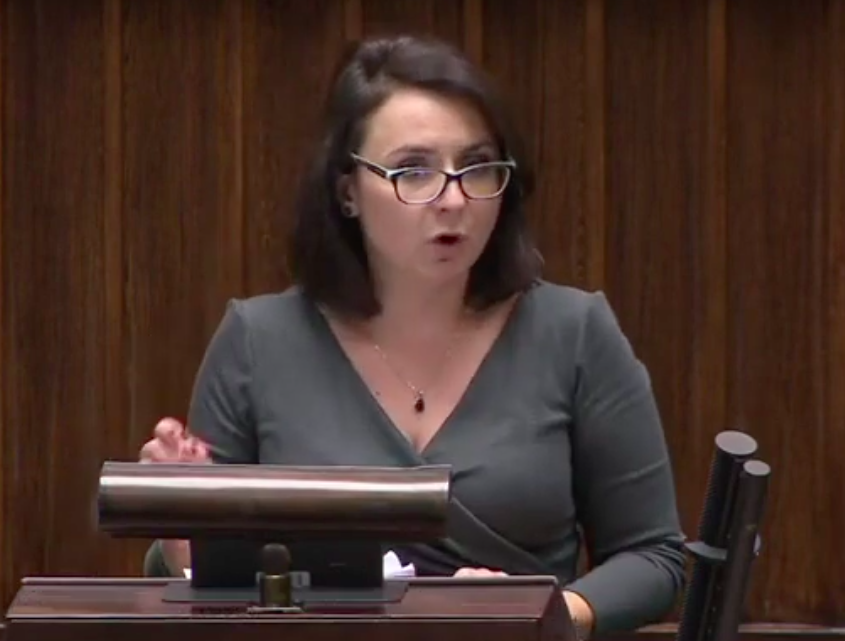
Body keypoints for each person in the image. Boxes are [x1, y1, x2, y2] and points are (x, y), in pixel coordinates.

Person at [138, 34, 686, 637]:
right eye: (413, 171)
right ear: (348, 191)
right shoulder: (257, 342)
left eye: (477, 166)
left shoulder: (574, 333)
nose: (452, 198)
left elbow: (654, 556)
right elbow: (203, 589)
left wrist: (549, 615)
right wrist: (185, 536)